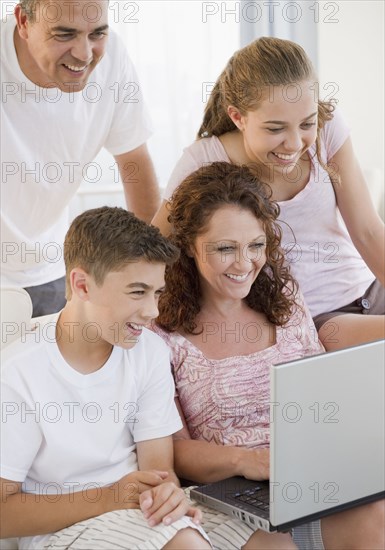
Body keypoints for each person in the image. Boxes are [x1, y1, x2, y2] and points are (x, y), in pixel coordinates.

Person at [153, 162, 385, 550]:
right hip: (232, 496)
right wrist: (250, 461)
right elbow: (173, 450)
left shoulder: (285, 301)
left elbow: (323, 394)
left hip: (311, 477)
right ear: (189, 247)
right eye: (226, 248)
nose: (245, 264)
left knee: (375, 511)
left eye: (256, 245)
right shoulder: (161, 332)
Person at [152, 36, 385, 352]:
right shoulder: (204, 160)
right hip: (317, 318)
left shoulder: (327, 129)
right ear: (238, 117)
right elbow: (155, 252)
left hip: (371, 286)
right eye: (275, 129)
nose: (293, 143)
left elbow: (369, 231)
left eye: (306, 123)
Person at [0, 206, 213, 550]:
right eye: (137, 292)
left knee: (271, 541)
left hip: (136, 514)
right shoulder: (17, 374)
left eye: (157, 293)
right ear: (82, 285)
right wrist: (111, 497)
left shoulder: (149, 353)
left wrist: (167, 494)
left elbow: (159, 471)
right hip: (60, 530)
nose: (152, 312)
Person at [1, 0, 160, 317]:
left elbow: (135, 164)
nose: (85, 54)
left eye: (97, 33)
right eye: (64, 34)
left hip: (49, 273)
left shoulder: (113, 60)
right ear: (23, 21)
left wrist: (152, 278)